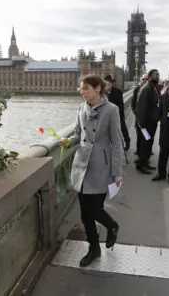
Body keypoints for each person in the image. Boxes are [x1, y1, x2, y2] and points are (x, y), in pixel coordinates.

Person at [65, 75, 123, 267]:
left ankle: (111, 225)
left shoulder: (111, 110)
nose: (82, 92)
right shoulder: (81, 108)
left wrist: (117, 172)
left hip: (101, 165)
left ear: (98, 88)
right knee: (84, 213)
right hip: (82, 164)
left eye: (85, 89)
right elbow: (77, 134)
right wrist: (67, 142)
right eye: (81, 89)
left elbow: (116, 142)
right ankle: (93, 248)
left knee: (95, 208)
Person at [135, 69, 160, 175]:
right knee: (145, 145)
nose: (158, 76)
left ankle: (145, 163)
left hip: (151, 123)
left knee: (148, 144)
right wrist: (142, 125)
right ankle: (141, 165)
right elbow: (141, 107)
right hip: (146, 125)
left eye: (158, 75)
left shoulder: (152, 87)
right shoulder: (146, 88)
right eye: (156, 75)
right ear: (150, 76)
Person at [104, 75, 130, 151]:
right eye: (106, 84)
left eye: (109, 83)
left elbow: (121, 105)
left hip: (118, 114)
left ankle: (127, 141)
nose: (107, 85)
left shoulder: (118, 92)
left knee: (123, 128)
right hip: (107, 115)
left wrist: (120, 115)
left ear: (112, 83)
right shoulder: (103, 92)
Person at [131, 74, 149, 156]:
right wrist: (137, 114)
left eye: (146, 79)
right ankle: (139, 152)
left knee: (147, 137)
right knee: (139, 136)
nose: (145, 81)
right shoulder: (137, 89)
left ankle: (146, 153)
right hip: (139, 120)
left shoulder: (151, 89)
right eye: (143, 79)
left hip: (148, 120)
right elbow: (133, 103)